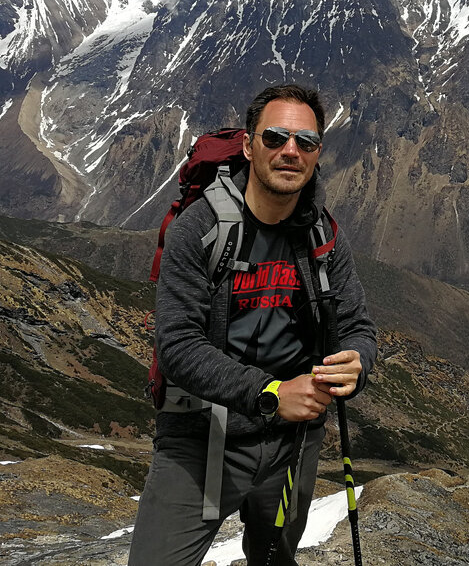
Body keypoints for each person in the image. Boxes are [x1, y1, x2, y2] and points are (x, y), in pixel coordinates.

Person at [127, 83, 377, 566]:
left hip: (292, 444)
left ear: (317, 153)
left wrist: (357, 363)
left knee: (272, 558)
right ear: (247, 145)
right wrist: (271, 394)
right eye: (275, 137)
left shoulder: (322, 235)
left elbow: (358, 326)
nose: (290, 151)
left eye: (304, 142)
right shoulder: (199, 230)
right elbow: (177, 346)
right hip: (199, 438)